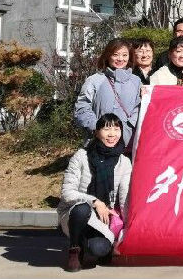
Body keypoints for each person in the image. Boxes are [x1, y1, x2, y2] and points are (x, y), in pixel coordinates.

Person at [58, 113, 131, 271]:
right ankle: (75, 250)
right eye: (106, 129)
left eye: (116, 129)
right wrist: (95, 202)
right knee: (82, 209)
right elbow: (67, 192)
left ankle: (92, 242)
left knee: (99, 249)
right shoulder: (81, 156)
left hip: (103, 217)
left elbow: (124, 199)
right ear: (97, 133)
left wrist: (126, 230)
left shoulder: (124, 162)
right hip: (76, 212)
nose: (112, 134)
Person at [74, 39, 141, 148]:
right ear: (108, 56)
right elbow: (82, 106)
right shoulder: (95, 80)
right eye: (115, 54)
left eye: (124, 55)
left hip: (127, 142)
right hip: (98, 142)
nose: (120, 59)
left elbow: (138, 107)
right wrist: (97, 127)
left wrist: (128, 127)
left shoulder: (136, 81)